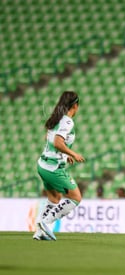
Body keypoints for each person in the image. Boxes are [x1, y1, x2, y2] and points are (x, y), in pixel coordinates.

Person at [33, 91, 85, 241]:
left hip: (43, 165)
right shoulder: (67, 121)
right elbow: (57, 142)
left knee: (54, 198)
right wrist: (73, 153)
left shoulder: (56, 119)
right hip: (53, 168)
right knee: (76, 197)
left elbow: (49, 139)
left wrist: (65, 154)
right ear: (75, 105)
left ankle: (40, 232)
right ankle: (46, 222)